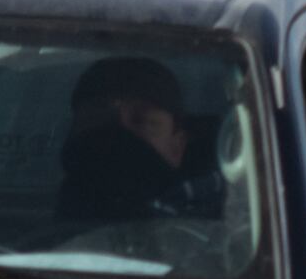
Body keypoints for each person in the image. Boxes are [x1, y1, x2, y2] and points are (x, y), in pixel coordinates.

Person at [58, 53, 216, 225]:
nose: (118, 142)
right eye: (101, 122)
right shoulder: (36, 235)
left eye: (142, 122)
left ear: (177, 146)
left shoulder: (221, 212)